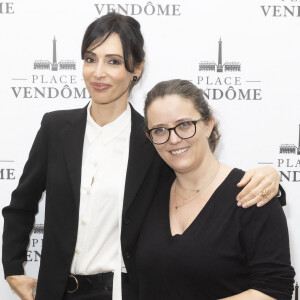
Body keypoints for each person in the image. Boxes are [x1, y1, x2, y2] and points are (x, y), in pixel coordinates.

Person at [2, 13, 284, 300]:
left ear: (137, 68)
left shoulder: (154, 138)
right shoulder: (55, 128)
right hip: (55, 291)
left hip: (123, 292)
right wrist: (12, 267)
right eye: (90, 58)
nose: (98, 72)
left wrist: (272, 181)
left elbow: (198, 184)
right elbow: (22, 204)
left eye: (113, 61)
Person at [134, 79, 295, 300]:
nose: (173, 139)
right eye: (160, 130)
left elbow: (274, 290)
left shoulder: (252, 193)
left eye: (184, 125)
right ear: (149, 138)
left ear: (208, 124)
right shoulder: (145, 195)